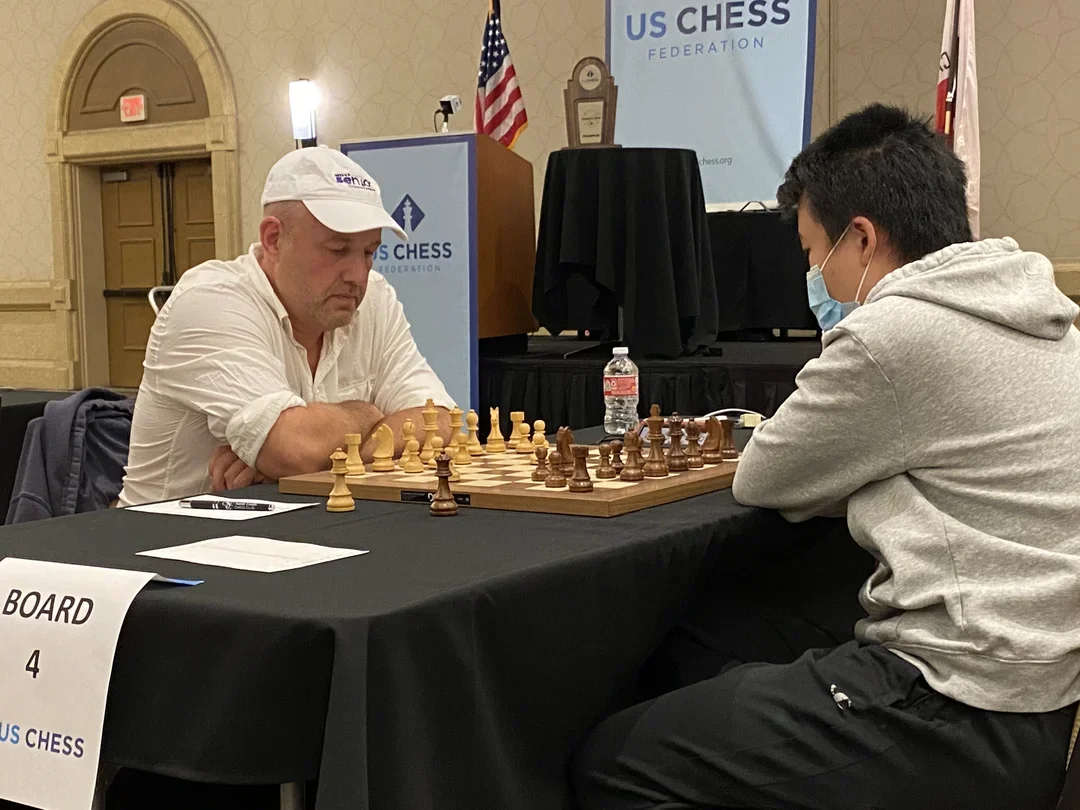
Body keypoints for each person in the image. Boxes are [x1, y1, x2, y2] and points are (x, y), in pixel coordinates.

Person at [575, 104, 1080, 808]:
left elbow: (766, 476)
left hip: (955, 702)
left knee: (615, 761)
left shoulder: (893, 332)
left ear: (863, 240)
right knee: (705, 643)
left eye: (814, 254)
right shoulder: (1048, 315)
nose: (814, 277)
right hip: (1049, 696)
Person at [118, 147, 454, 506]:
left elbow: (440, 422)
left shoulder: (374, 300)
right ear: (273, 239)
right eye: (338, 250)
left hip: (294, 531)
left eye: (369, 253)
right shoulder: (209, 301)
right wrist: (371, 414)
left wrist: (309, 460)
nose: (358, 276)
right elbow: (294, 448)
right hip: (165, 541)